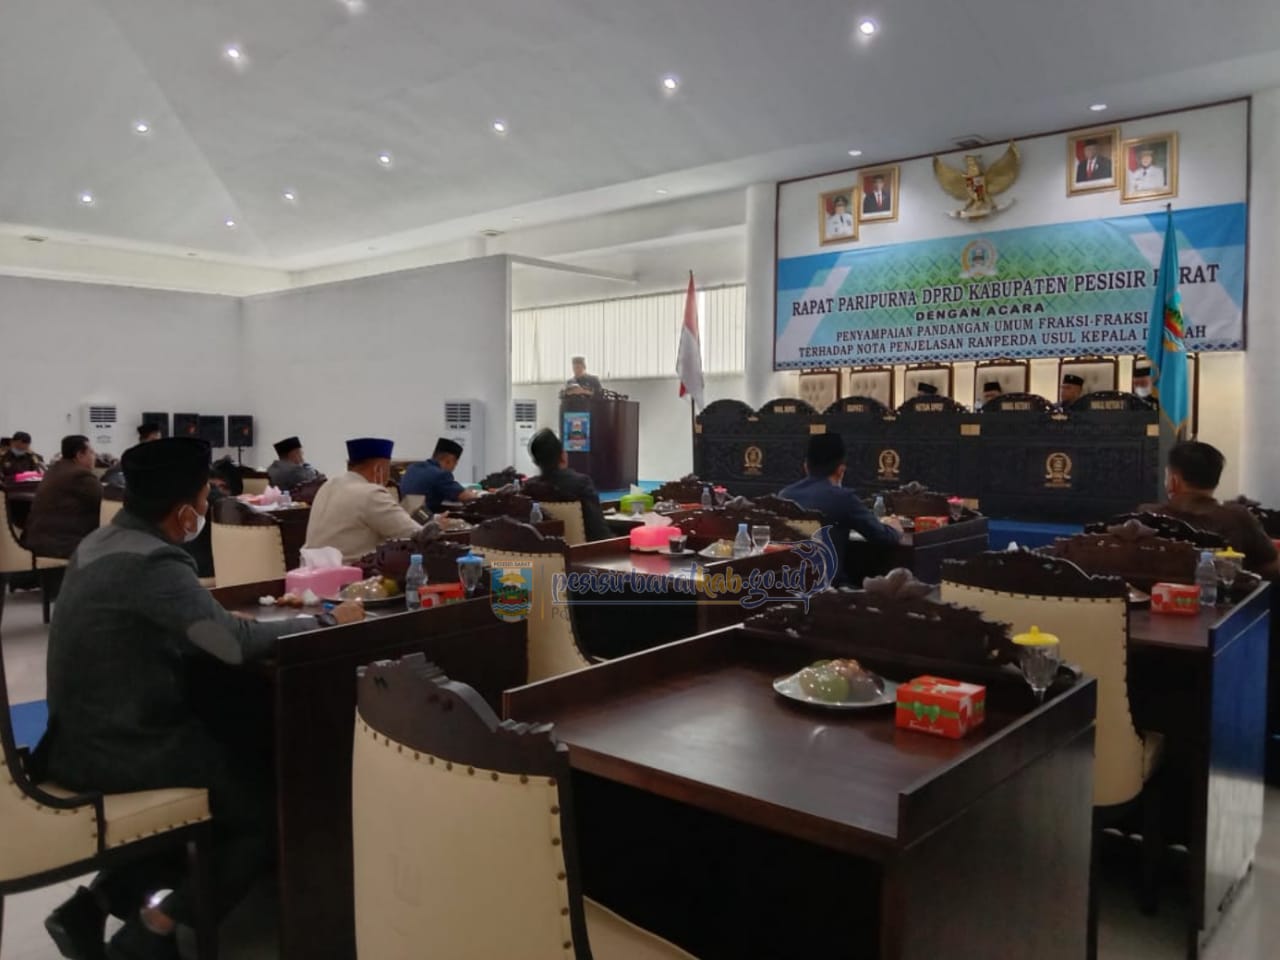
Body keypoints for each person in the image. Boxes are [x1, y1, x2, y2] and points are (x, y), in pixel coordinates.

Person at [34, 437, 365, 960]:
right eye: (205, 499)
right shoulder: (154, 562)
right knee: (267, 803)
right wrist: (325, 619)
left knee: (233, 744)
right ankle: (154, 929)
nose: (206, 509)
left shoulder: (101, 542)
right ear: (182, 510)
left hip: (73, 739)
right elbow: (230, 645)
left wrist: (222, 620)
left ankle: (92, 906)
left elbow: (178, 627)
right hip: (125, 746)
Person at [1139, 441, 1279, 579]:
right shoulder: (1239, 517)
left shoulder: (1148, 516)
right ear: (1215, 481)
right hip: (1223, 592)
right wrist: (1240, 573)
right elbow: (1273, 564)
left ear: (1173, 481)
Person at [779, 433, 902, 585]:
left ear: (806, 466)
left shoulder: (784, 495)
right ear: (840, 470)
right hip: (829, 589)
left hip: (787, 584)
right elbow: (882, 537)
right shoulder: (842, 498)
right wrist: (895, 528)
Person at [304, 437, 421, 561]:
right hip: (351, 570)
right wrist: (433, 527)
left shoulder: (328, 485)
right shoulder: (371, 493)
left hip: (312, 568)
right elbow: (415, 535)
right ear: (379, 468)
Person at [522, 429, 611, 541]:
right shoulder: (581, 484)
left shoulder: (528, 488)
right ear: (563, 456)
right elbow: (599, 533)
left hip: (542, 551)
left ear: (536, 462)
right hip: (582, 551)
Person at [22, 435, 102, 559]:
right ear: (79, 455)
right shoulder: (80, 475)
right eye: (91, 452)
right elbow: (104, 500)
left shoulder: (54, 470)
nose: (94, 456)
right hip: (63, 545)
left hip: (38, 541)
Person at [400, 437, 481, 513]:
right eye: (455, 464)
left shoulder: (412, 467)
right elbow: (466, 497)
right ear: (448, 461)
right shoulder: (441, 475)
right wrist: (478, 495)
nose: (453, 468)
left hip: (404, 515)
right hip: (424, 519)